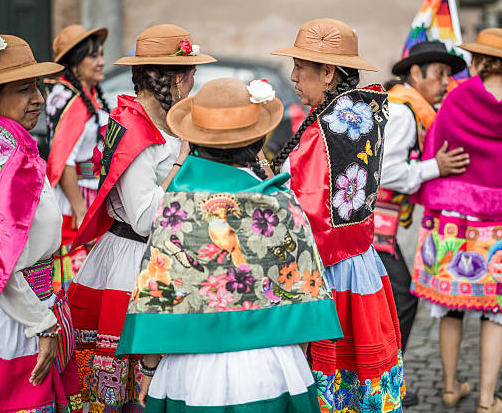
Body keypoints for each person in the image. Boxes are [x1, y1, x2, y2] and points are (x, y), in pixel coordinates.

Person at [117, 77, 343, 411]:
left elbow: (160, 294)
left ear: (194, 142)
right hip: (269, 367)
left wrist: (150, 367)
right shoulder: (282, 204)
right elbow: (303, 293)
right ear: (258, 139)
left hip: (190, 371)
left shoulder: (175, 208)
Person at [67, 24, 216, 409]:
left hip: (162, 258)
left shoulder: (157, 124)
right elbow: (146, 218)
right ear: (174, 79)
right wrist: (182, 159)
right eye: (191, 75)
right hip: (134, 263)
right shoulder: (137, 131)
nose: (194, 84)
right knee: (128, 389)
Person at [271, 18, 404, 412]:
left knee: (323, 378)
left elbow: (307, 211)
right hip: (360, 265)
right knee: (358, 376)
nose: (293, 76)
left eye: (302, 67)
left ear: (328, 72)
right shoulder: (361, 115)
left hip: (325, 273)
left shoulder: (321, 131)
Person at [411, 28, 502, 412]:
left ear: (480, 59)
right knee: (496, 312)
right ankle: (487, 400)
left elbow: (436, 148)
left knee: (450, 306)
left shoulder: (457, 99)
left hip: (454, 217)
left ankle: (451, 387)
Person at [0, 34, 82, 411]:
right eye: (23, 89)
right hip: (13, 321)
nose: (39, 99)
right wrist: (41, 324)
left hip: (27, 310)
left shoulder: (4, 144)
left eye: (38, 87)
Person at [376, 41, 468, 407]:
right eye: (440, 74)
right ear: (415, 74)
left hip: (383, 225)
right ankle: (383, 383)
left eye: (448, 75)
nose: (446, 82)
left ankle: (384, 381)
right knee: (401, 298)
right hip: (374, 227)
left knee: (393, 299)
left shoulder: (411, 109)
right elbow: (386, 172)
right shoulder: (402, 112)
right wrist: (435, 168)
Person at [45, 24, 110, 292]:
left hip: (91, 194)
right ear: (74, 63)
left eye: (102, 54)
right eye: (93, 56)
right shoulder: (68, 99)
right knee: (74, 279)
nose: (101, 62)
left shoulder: (89, 96)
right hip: (76, 201)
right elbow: (64, 159)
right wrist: (81, 209)